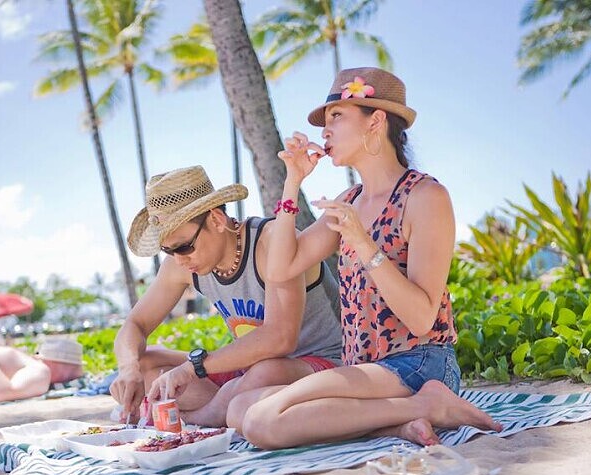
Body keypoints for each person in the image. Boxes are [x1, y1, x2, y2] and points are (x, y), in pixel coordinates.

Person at [228, 67, 502, 449]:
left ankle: (430, 402)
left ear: (376, 121)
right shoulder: (350, 203)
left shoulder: (425, 197)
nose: (325, 130)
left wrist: (363, 243)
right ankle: (401, 421)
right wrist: (292, 181)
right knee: (239, 407)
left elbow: (422, 317)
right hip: (363, 370)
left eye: (337, 116)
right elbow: (280, 269)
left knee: (262, 421)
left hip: (419, 364)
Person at [109, 165, 343, 427]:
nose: (180, 259)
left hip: (321, 362)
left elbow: (280, 339)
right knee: (146, 362)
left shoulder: (271, 241)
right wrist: (128, 369)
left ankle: (200, 419)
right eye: (168, 250)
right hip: (250, 371)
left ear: (216, 220)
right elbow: (135, 324)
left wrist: (191, 368)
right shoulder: (182, 265)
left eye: (184, 246)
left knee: (266, 371)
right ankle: (224, 407)